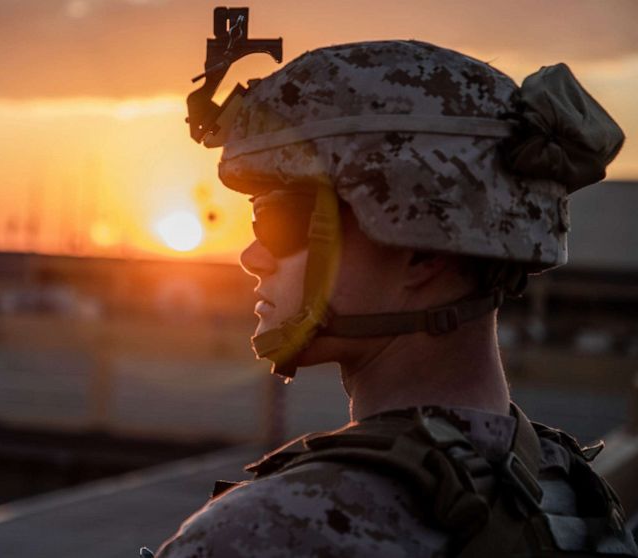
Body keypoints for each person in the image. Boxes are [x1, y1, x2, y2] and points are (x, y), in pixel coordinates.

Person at [155, 29, 635, 558]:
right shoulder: (574, 494)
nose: (252, 257)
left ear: (423, 252)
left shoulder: (270, 531)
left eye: (280, 220)